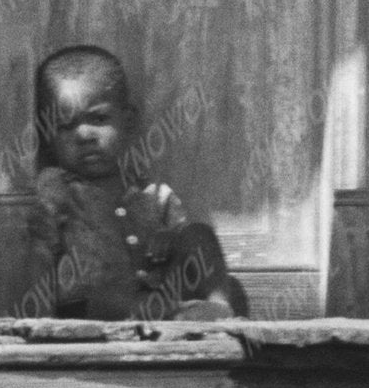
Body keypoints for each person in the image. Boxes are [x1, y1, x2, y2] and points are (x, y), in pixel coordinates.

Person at [29, 42, 236, 313]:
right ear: (47, 137)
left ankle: (218, 309)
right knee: (104, 294)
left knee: (199, 234)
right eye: (66, 126)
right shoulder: (55, 186)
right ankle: (174, 314)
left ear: (128, 121)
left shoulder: (152, 193)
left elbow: (180, 238)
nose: (84, 136)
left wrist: (169, 238)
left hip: (155, 296)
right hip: (94, 307)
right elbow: (37, 250)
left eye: (99, 119)